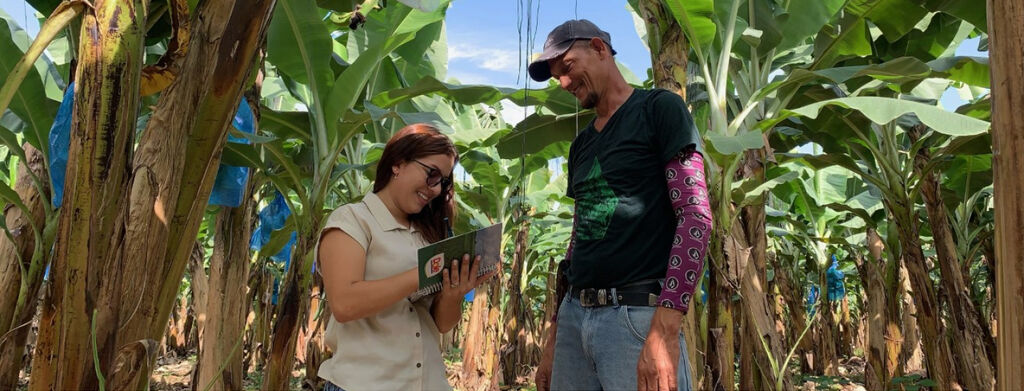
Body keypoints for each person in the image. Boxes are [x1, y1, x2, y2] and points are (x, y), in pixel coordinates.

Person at [528, 20, 712, 391]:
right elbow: (578, 241)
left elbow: (695, 217)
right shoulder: (580, 146)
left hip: (636, 315)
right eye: (555, 77)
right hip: (575, 318)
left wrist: (665, 327)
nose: (563, 83)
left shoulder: (659, 109)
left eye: (566, 67)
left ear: (598, 48)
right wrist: (555, 332)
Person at [316, 123, 494, 391]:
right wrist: (424, 273)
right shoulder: (353, 220)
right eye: (431, 174)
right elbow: (344, 304)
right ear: (398, 163)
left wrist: (454, 292)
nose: (435, 189)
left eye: (443, 181)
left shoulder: (427, 232)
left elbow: (442, 324)